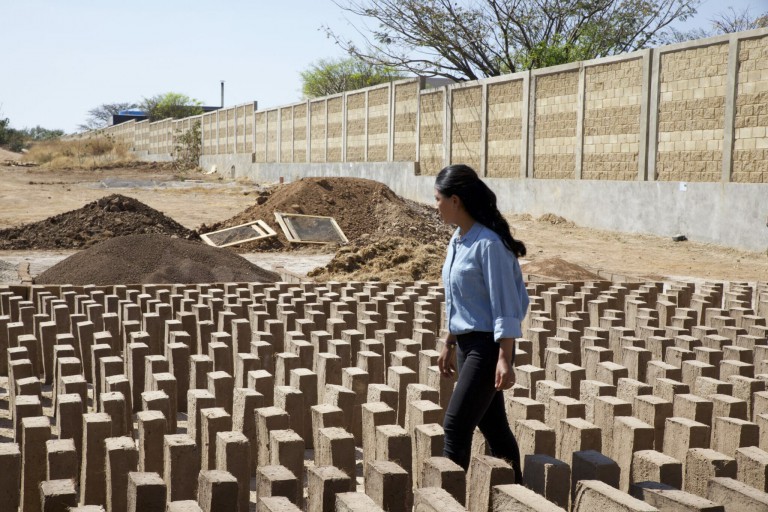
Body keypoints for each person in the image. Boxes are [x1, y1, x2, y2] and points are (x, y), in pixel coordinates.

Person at [435, 163, 529, 482]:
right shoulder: (458, 240)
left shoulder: (489, 245)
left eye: (438, 199)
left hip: (487, 348)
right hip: (465, 345)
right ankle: (519, 497)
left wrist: (505, 357)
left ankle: (445, 502)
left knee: (455, 428)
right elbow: (460, 299)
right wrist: (449, 342)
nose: (436, 206)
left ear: (455, 201)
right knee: (494, 428)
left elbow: (505, 304)